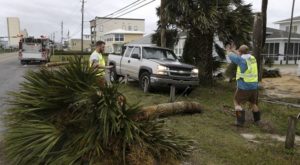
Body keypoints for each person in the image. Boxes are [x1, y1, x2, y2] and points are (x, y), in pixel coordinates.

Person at [226, 44, 260, 126]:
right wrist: (235, 50)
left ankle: (240, 122)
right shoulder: (252, 58)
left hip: (244, 86)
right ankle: (258, 121)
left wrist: (228, 49)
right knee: (253, 103)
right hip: (254, 86)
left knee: (237, 102)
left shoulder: (240, 60)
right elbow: (241, 54)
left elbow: (230, 55)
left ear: (240, 52)